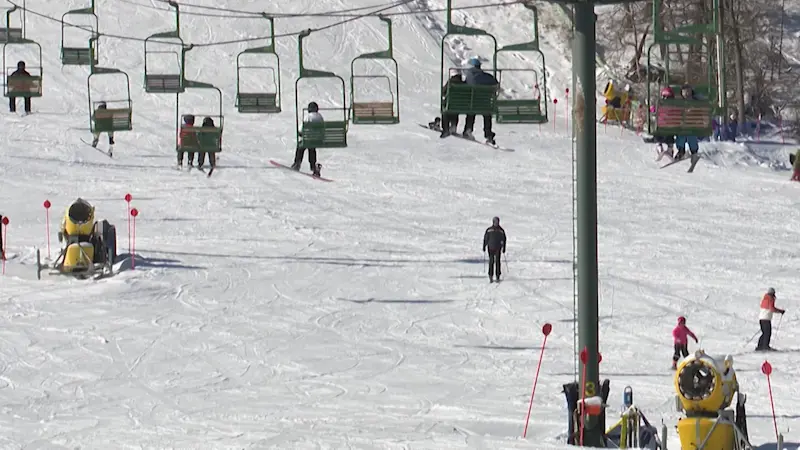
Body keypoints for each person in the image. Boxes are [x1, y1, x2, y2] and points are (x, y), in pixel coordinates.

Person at [462, 57, 499, 145]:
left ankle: (468, 129)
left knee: (471, 111)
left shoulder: (469, 76)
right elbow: (496, 83)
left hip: (472, 103)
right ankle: (488, 135)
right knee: (487, 115)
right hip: (484, 104)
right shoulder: (487, 77)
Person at [293, 101, 322, 176]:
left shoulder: (308, 117)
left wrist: (300, 133)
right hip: (318, 139)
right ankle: (313, 166)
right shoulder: (320, 117)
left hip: (308, 139)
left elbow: (301, 129)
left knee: (301, 147)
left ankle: (297, 163)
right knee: (312, 148)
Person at [674, 84, 701, 163]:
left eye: (688, 91)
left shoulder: (695, 101)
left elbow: (699, 113)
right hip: (682, 124)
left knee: (691, 134)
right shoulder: (679, 101)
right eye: (684, 91)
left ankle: (693, 151)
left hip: (692, 123)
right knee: (681, 134)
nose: (686, 93)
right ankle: (681, 150)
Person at [436, 73, 465, 138]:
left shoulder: (450, 82)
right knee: (455, 108)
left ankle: (445, 128)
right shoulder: (464, 84)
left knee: (446, 109)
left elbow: (443, 92)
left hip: (450, 105)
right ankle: (453, 125)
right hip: (461, 106)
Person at [655, 86, 677, 161]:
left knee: (658, 131)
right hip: (669, 128)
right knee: (667, 133)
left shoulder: (662, 105)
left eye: (666, 97)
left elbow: (654, 110)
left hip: (665, 128)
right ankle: (669, 148)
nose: (665, 99)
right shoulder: (675, 106)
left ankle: (659, 146)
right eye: (664, 97)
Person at [482, 216, 506, 283]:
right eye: (495, 221)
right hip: (491, 247)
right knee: (491, 261)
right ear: (493, 222)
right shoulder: (489, 230)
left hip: (498, 248)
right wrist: (484, 246)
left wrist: (504, 248)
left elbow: (504, 239)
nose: (496, 223)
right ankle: (490, 276)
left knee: (497, 262)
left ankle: (498, 276)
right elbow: (486, 238)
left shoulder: (501, 230)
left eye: (497, 222)